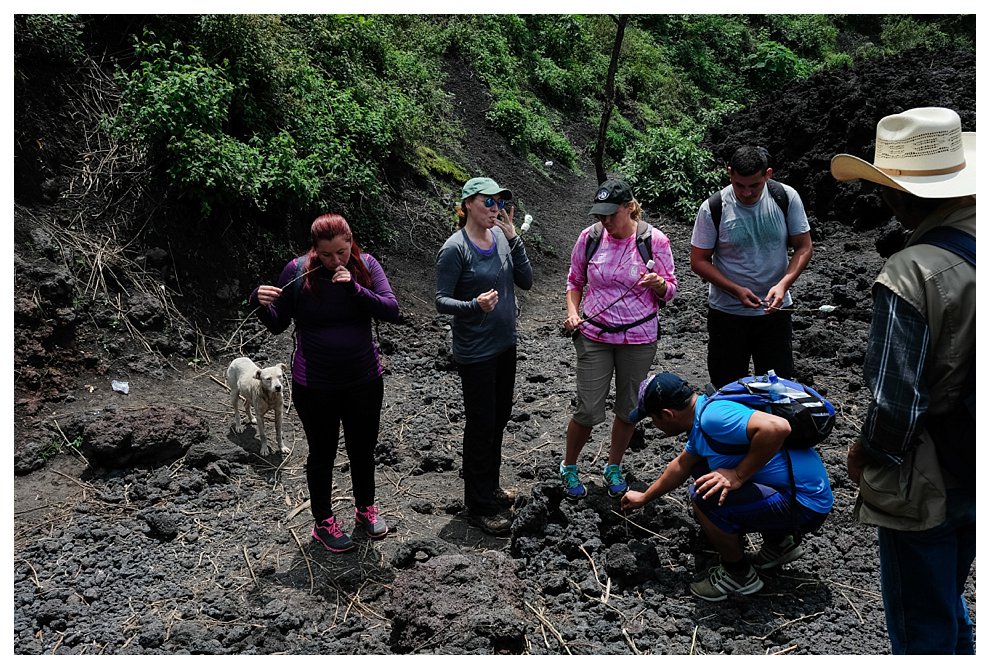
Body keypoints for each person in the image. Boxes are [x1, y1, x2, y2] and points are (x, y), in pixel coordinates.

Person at [832, 107, 976, 654]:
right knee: (952, 602)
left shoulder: (911, 272)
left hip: (928, 473)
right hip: (974, 460)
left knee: (922, 627)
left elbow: (896, 403)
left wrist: (866, 451)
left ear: (895, 195)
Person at [250, 214, 401, 553]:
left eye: (342, 252)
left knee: (363, 449)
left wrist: (354, 288)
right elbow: (277, 324)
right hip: (315, 383)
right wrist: (256, 302)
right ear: (315, 250)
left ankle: (365, 510)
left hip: (364, 378)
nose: (336, 261)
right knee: (323, 452)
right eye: (327, 255)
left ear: (351, 242)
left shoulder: (366, 266)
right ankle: (323, 523)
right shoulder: (297, 271)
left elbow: (391, 309)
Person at [620, 372, 833, 602]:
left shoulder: (714, 417)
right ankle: (779, 544)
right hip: (802, 496)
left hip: (805, 504)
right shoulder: (703, 415)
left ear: (667, 414)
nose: (654, 426)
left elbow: (777, 427)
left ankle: (738, 574)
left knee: (703, 494)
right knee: (703, 470)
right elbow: (681, 465)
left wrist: (738, 475)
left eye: (653, 419)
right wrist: (644, 497)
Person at [560, 178, 677, 500]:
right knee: (588, 408)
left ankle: (613, 465)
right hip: (594, 334)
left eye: (612, 214)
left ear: (629, 208)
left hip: (639, 337)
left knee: (628, 408)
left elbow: (671, 290)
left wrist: (657, 284)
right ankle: (569, 465)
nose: (606, 221)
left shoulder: (655, 242)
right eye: (601, 215)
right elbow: (575, 281)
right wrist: (573, 312)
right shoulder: (590, 237)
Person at [435, 177, 533, 536]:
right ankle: (477, 505)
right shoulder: (455, 248)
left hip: (505, 344)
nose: (496, 209)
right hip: (475, 351)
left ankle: (489, 488)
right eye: (488, 202)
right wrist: (473, 305)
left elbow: (527, 281)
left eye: (500, 203)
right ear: (467, 205)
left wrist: (514, 238)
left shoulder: (502, 239)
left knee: (500, 418)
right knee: (481, 424)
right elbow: (441, 300)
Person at [690, 146, 813, 388]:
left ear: (768, 174)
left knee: (777, 388)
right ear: (729, 174)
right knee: (726, 388)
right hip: (727, 314)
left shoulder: (785, 197)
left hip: (775, 313)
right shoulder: (713, 207)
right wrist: (735, 289)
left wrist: (783, 284)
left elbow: (804, 246)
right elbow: (698, 260)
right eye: (739, 185)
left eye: (754, 185)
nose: (746, 193)